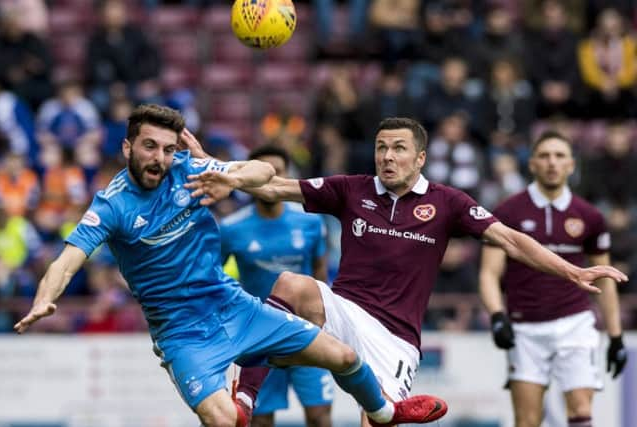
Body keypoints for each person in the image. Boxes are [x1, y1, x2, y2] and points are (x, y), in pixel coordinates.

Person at [13, 105, 447, 427]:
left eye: (167, 148)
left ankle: (387, 411)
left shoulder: (189, 169)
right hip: (181, 331)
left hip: (233, 304)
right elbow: (67, 260)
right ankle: (253, 399)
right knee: (225, 422)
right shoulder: (112, 206)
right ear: (128, 147)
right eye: (149, 146)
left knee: (346, 356)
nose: (159, 158)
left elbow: (261, 170)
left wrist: (232, 177)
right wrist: (45, 299)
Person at [184, 117, 628, 427]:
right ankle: (243, 400)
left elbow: (509, 239)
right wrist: (223, 173)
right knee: (288, 285)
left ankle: (378, 409)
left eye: (398, 149)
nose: (387, 157)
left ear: (419, 158)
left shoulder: (448, 202)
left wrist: (571, 271)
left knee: (375, 422)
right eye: (381, 148)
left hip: (395, 339)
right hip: (344, 312)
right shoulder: (351, 189)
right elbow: (278, 186)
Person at [478, 131, 627, 427]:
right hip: (524, 328)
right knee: (527, 420)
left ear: (571, 165)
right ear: (532, 163)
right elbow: (489, 273)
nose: (552, 163)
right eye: (544, 156)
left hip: (575, 324)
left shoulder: (590, 216)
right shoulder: (508, 211)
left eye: (559, 156)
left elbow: (605, 279)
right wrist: (497, 315)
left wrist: (615, 336)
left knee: (581, 410)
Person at [220, 145, 334, 427]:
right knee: (259, 420)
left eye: (278, 172)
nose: (269, 179)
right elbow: (216, 278)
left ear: (287, 176)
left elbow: (320, 273)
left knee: (320, 416)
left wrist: (327, 323)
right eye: (263, 172)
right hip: (259, 337)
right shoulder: (231, 228)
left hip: (306, 333)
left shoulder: (310, 221)